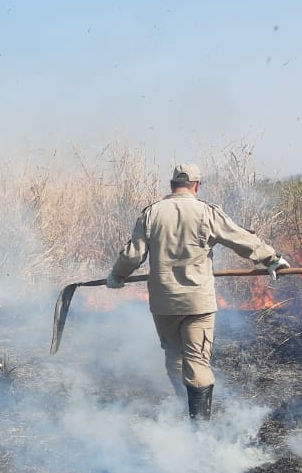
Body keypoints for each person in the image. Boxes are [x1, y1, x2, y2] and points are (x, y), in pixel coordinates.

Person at [106, 163, 288, 420]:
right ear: (197, 185)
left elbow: (133, 254)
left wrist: (117, 276)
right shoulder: (206, 213)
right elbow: (240, 239)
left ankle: (185, 411)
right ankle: (199, 428)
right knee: (197, 362)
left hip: (164, 302)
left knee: (173, 356)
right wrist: (271, 259)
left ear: (171, 185)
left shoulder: (151, 213)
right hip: (197, 302)